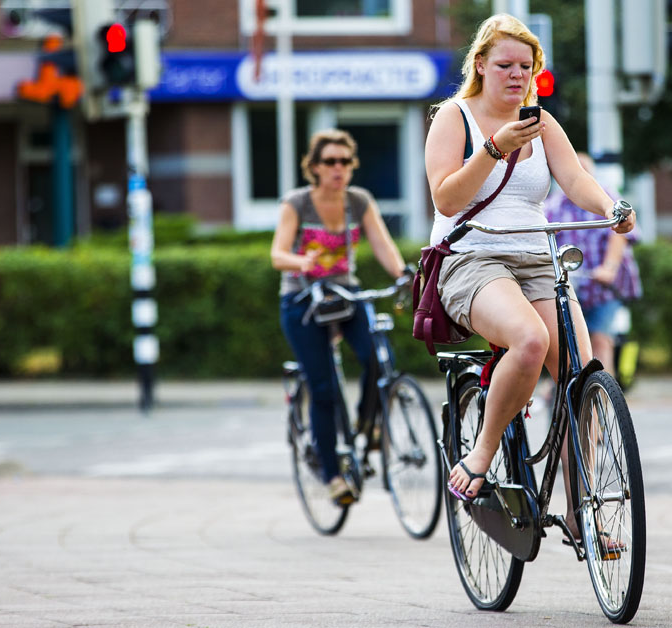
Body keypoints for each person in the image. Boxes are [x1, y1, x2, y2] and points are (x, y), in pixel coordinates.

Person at [424, 14, 636, 542]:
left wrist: (610, 208)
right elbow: (446, 198)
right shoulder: (454, 116)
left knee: (582, 377)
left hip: (535, 259)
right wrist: (494, 148)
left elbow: (575, 178)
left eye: (526, 66)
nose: (517, 75)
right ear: (480, 65)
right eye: (506, 65)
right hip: (471, 259)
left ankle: (584, 510)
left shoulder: (541, 121)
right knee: (529, 339)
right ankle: (481, 453)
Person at [271, 129, 409, 504]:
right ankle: (333, 477)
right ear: (314, 167)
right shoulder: (297, 203)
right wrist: (302, 262)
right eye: (330, 161)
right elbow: (278, 255)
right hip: (301, 300)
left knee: (379, 356)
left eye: (345, 161)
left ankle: (368, 422)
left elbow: (383, 245)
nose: (339, 168)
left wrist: (403, 275)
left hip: (345, 295)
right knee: (324, 390)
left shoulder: (358, 201)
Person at [544, 152, 643, 376]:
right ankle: (564, 386)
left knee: (600, 338)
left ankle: (603, 390)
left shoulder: (606, 198)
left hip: (604, 287)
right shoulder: (553, 205)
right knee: (568, 341)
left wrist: (609, 268)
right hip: (572, 285)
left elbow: (620, 235)